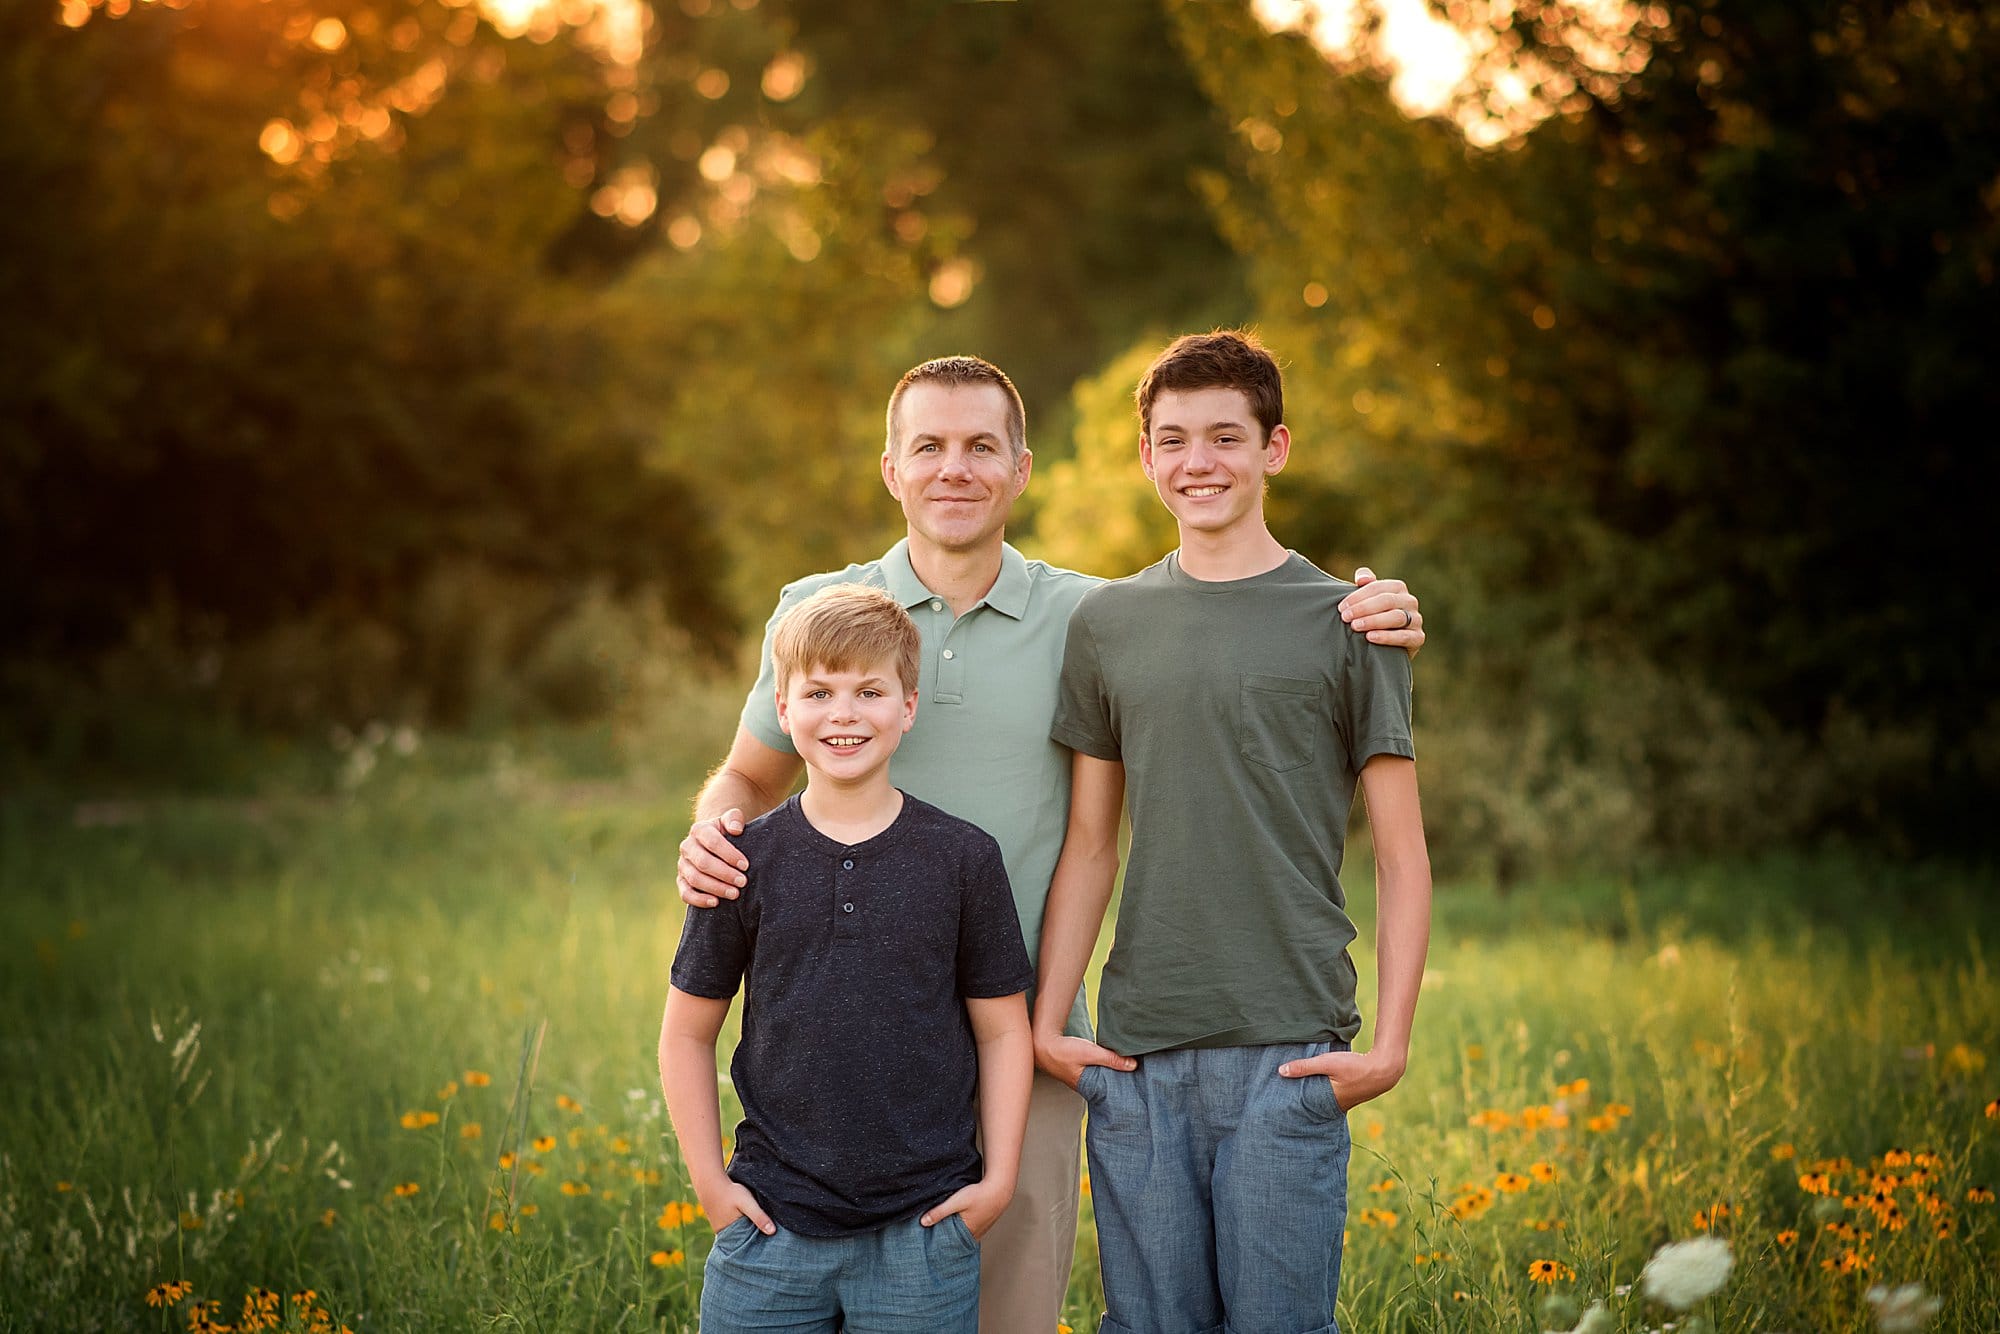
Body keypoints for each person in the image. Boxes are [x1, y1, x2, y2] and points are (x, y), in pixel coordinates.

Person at [676, 354, 1427, 1332]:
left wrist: (1379, 609)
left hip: (1015, 1028)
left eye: (980, 447)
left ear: (1021, 468)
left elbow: (1214, 621)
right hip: (833, 1036)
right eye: (929, 448)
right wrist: (708, 826)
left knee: (1008, 1310)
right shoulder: (821, 617)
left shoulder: (1094, 615)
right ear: (890, 468)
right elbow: (746, 775)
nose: (955, 469)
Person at [1031, 330, 1433, 1334]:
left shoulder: (1349, 622)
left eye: (1223, 435)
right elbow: (1090, 841)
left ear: (1273, 447)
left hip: (1288, 1050)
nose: (1196, 460)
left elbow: (1399, 851)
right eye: (1171, 439)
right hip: (1135, 1054)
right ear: (1145, 458)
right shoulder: (1107, 623)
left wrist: (1387, 1044)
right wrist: (1049, 1019)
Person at [659, 582, 1035, 1332]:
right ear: (785, 708)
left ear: (908, 707)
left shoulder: (963, 858)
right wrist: (709, 1185)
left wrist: (997, 1185)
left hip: (923, 1237)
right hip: (768, 1229)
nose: (843, 714)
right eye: (819, 692)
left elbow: (1001, 1031)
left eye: (869, 691)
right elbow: (686, 1032)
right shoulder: (743, 860)